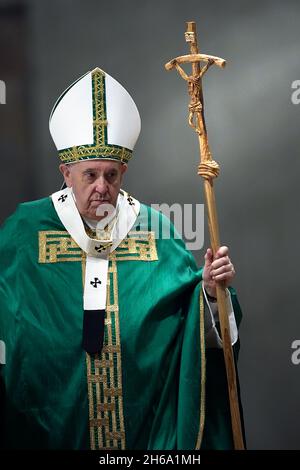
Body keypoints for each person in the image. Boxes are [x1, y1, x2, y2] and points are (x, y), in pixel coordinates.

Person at [0, 67, 243, 450]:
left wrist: (211, 294)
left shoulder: (155, 229)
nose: (102, 187)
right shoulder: (25, 232)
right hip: (53, 426)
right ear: (65, 173)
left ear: (124, 172)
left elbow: (190, 327)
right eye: (90, 174)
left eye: (111, 175)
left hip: (144, 432)